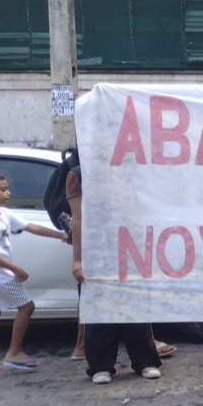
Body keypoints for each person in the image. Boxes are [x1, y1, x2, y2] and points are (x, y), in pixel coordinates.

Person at [0, 170, 69, 374]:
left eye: (7, 188)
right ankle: (14, 352)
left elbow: (31, 227)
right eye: (2, 189)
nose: (8, 193)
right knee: (27, 307)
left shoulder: (3, 214)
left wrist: (62, 235)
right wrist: (14, 268)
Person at [67, 157, 162, 384]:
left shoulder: (128, 170)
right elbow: (77, 220)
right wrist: (78, 259)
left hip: (129, 247)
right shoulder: (78, 175)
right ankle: (100, 366)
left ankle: (145, 361)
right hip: (97, 250)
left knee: (135, 304)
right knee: (99, 308)